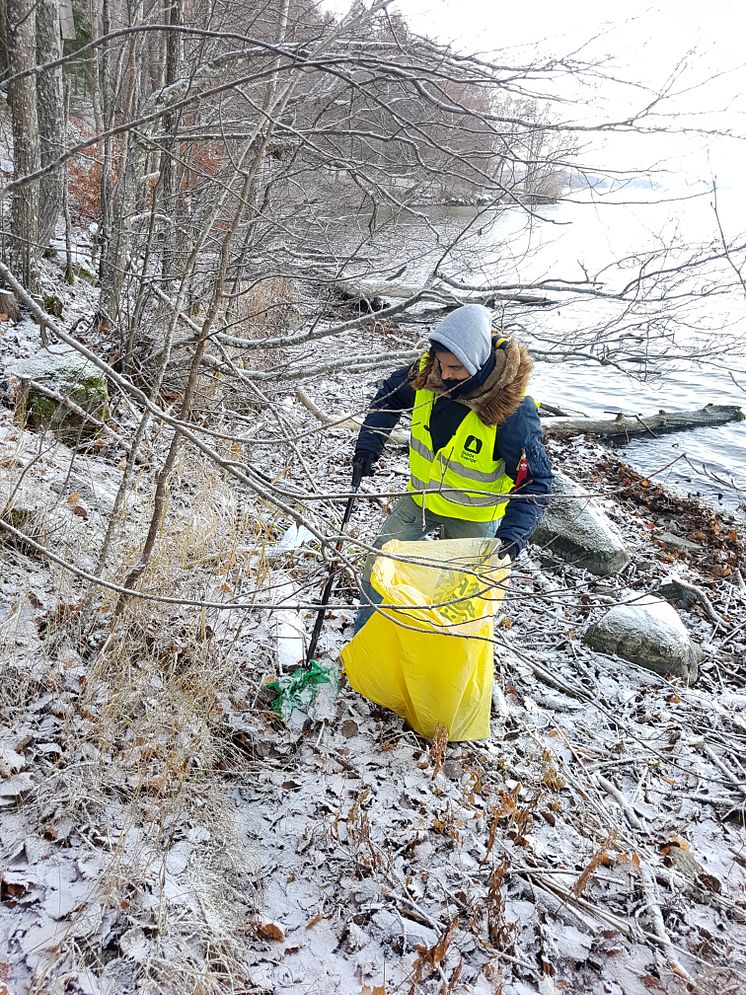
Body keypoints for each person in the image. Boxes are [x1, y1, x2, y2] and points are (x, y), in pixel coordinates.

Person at [351, 303, 552, 633]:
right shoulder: (428, 373)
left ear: (477, 361)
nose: (445, 375)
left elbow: (537, 481)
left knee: (460, 598)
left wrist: (513, 536)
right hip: (421, 499)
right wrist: (368, 445)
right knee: (379, 565)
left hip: (474, 518)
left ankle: (437, 651)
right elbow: (388, 396)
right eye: (441, 365)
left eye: (455, 368)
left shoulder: (512, 410)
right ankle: (365, 639)